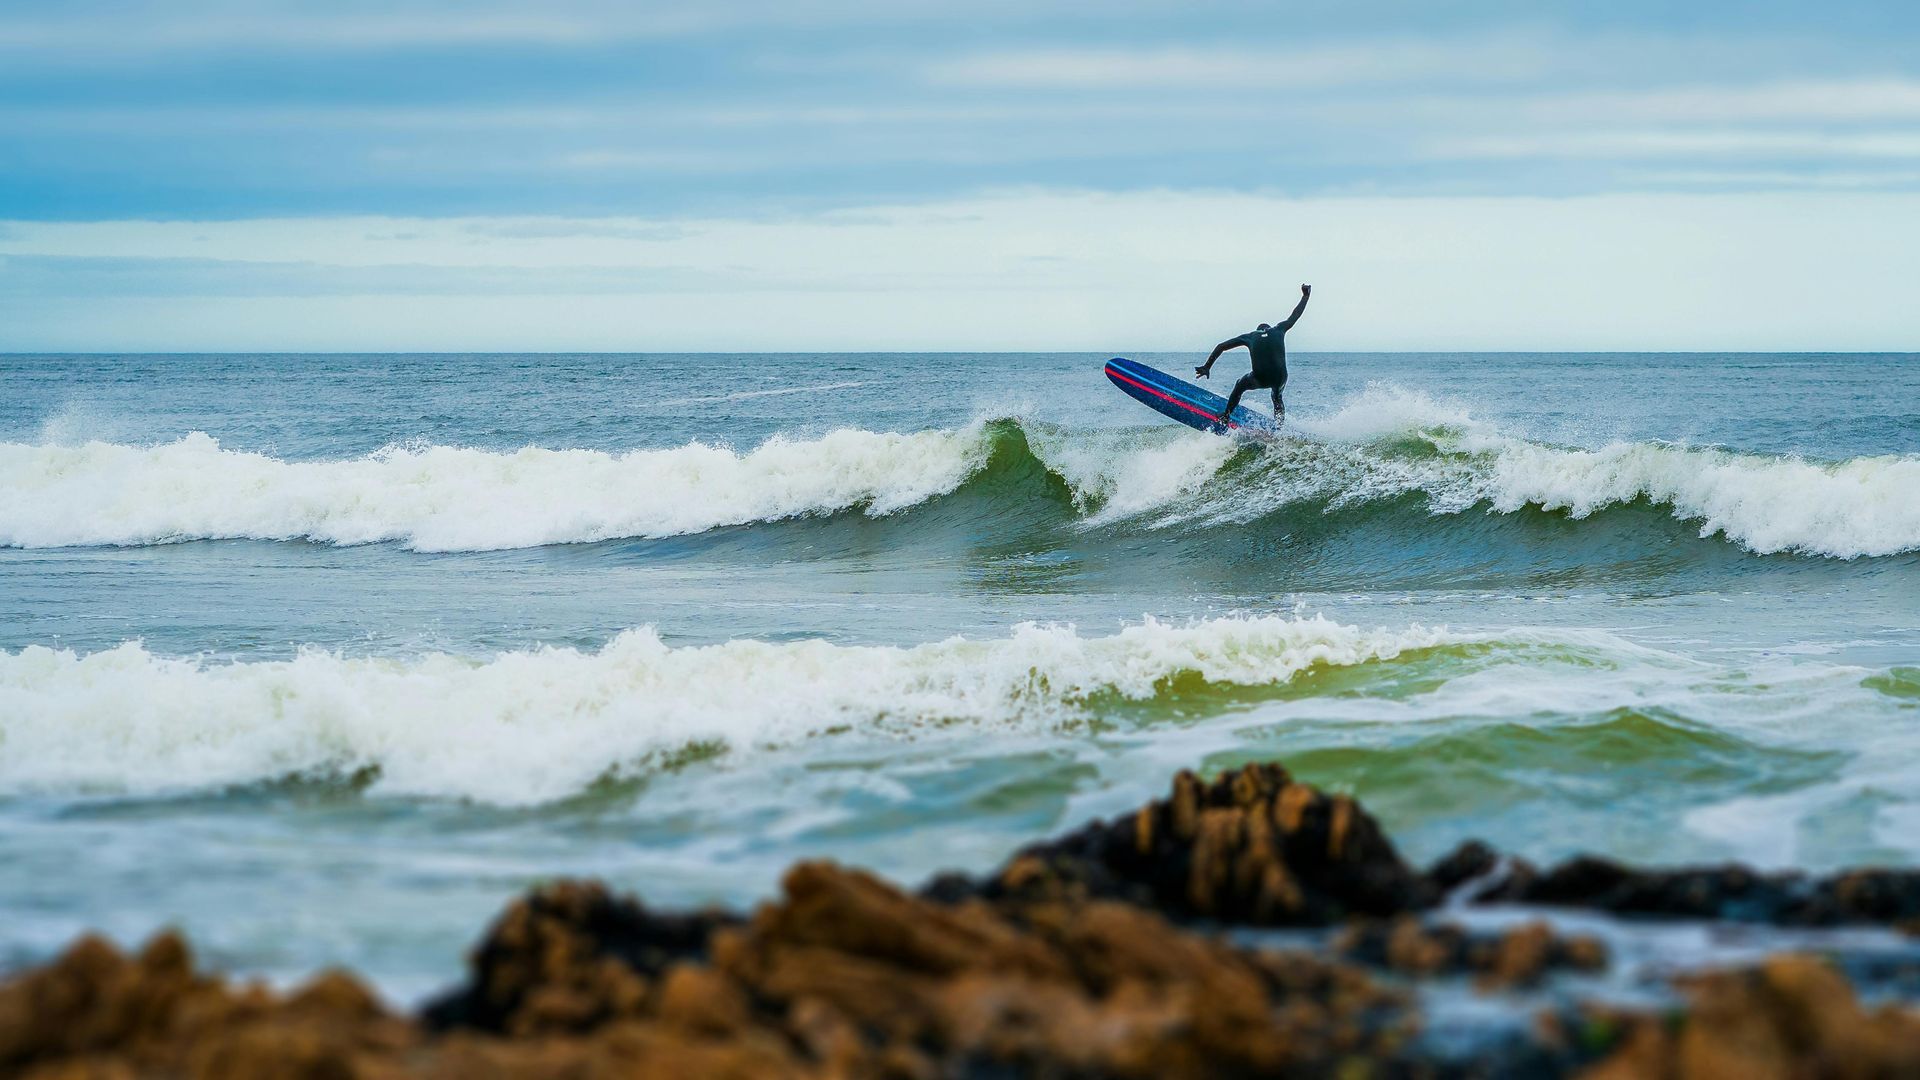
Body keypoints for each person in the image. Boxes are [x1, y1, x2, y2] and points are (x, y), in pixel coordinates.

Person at [1194, 284, 1310, 426]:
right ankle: (1280, 427)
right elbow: (1295, 315)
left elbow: (1221, 347)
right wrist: (1305, 296)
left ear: (1258, 330)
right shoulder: (1279, 329)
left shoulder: (1250, 336)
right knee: (1277, 397)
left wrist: (1207, 367)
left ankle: (1226, 415)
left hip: (1259, 378)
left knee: (1239, 385)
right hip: (1279, 377)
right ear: (1268, 327)